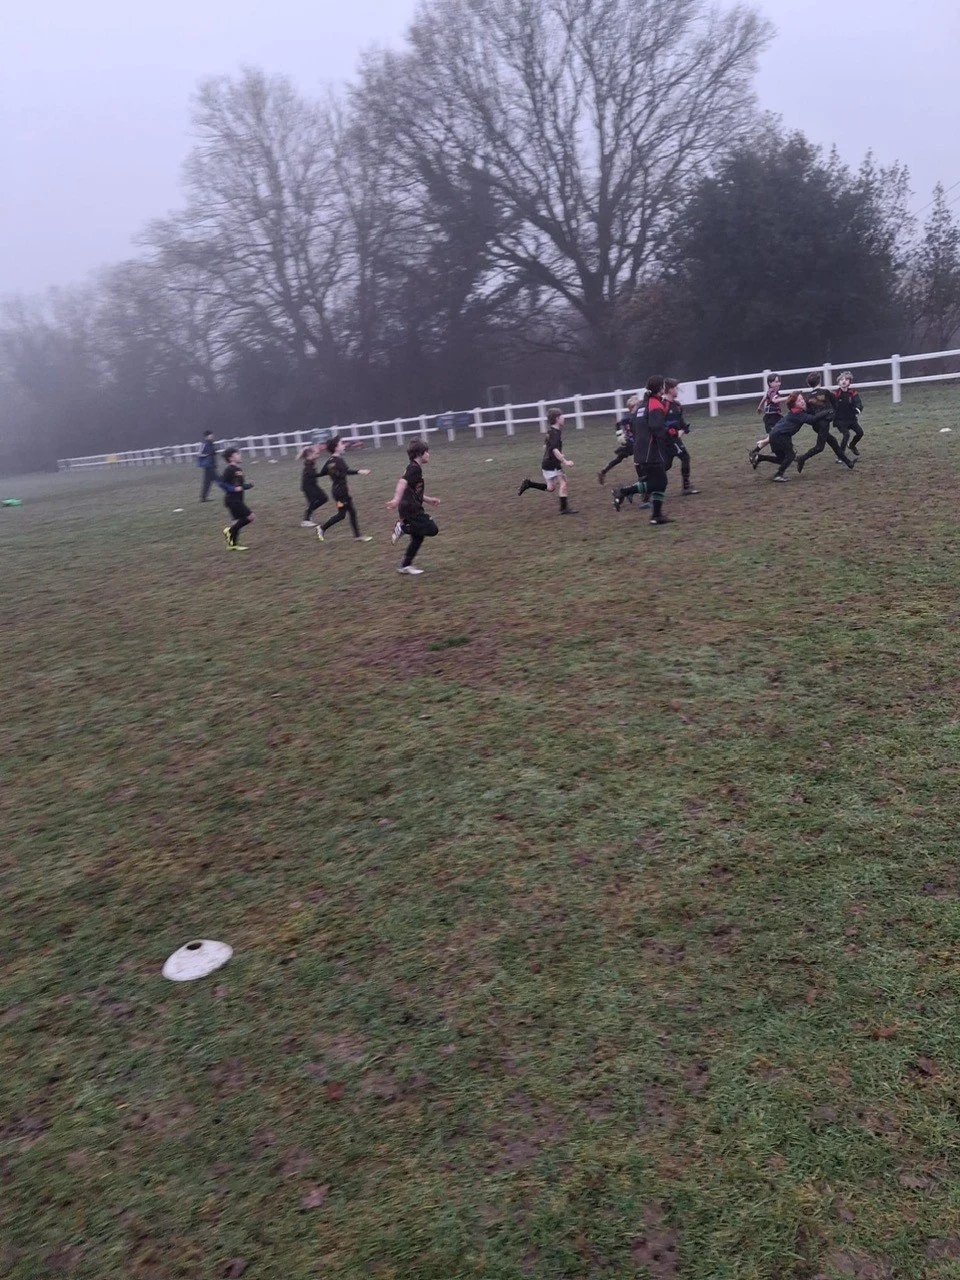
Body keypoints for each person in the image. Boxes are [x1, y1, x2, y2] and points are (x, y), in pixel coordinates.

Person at [612, 375, 674, 524]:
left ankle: (656, 516)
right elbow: (657, 428)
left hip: (641, 450)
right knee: (659, 483)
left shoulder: (642, 406)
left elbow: (635, 427)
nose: (664, 388)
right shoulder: (654, 405)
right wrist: (670, 433)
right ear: (660, 389)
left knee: (659, 481)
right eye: (663, 386)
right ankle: (623, 492)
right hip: (651, 451)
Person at [752, 391, 832, 481]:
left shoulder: (794, 412)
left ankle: (759, 458)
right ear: (794, 404)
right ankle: (778, 475)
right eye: (799, 401)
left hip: (775, 435)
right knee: (791, 456)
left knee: (782, 459)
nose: (802, 401)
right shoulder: (798, 414)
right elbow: (812, 419)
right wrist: (826, 412)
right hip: (781, 436)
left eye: (802, 399)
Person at [388, 440, 440, 574]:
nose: (428, 454)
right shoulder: (414, 469)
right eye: (426, 452)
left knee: (418, 537)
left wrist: (429, 500)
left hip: (410, 506)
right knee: (432, 529)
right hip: (411, 508)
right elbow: (402, 482)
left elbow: (413, 491)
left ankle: (404, 566)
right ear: (420, 454)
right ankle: (403, 527)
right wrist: (396, 499)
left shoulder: (413, 467)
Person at [517, 408, 577, 513]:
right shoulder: (555, 433)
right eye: (562, 416)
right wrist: (565, 461)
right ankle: (564, 508)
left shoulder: (551, 432)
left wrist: (557, 454)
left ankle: (529, 484)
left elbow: (546, 447)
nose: (564, 418)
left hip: (546, 464)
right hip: (553, 464)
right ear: (557, 419)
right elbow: (554, 449)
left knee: (550, 488)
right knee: (563, 482)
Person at [794, 372, 854, 473]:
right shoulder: (826, 392)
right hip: (824, 424)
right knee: (819, 447)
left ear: (809, 384)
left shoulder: (808, 397)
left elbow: (808, 412)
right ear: (820, 381)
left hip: (816, 425)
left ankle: (848, 463)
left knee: (833, 441)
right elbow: (835, 404)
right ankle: (801, 458)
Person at [316, 436, 372, 542]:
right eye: (341, 444)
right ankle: (322, 528)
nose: (344, 445)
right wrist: (361, 471)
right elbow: (346, 471)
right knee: (342, 514)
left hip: (338, 491)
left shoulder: (330, 461)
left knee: (350, 512)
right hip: (341, 493)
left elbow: (322, 473)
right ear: (336, 447)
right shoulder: (339, 461)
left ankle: (357, 536)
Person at [663, 379, 699, 495]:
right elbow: (660, 424)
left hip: (675, 439)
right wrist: (671, 432)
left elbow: (680, 422)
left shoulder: (677, 405)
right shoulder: (663, 405)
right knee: (685, 457)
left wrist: (684, 429)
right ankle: (686, 487)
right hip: (668, 440)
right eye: (675, 388)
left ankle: (646, 484)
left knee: (666, 465)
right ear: (670, 389)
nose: (677, 390)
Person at [597, 396, 639, 484]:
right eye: (637, 405)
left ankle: (603, 472)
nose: (638, 407)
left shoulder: (635, 416)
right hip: (631, 443)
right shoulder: (629, 417)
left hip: (633, 442)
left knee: (619, 459)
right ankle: (642, 478)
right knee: (639, 459)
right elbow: (617, 423)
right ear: (632, 407)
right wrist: (619, 436)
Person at [220, 448, 254, 549]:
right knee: (250, 517)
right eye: (237, 454)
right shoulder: (229, 469)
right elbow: (222, 484)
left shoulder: (239, 469)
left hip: (238, 499)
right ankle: (229, 531)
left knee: (236, 522)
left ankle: (232, 545)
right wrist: (233, 489)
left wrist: (249, 485)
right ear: (231, 458)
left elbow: (240, 485)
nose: (239, 455)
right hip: (232, 500)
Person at [750, 374, 783, 468]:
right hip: (771, 418)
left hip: (776, 417)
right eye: (776, 382)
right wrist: (789, 397)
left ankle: (756, 451)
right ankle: (756, 451)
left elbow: (765, 397)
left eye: (779, 381)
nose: (778, 383)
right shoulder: (773, 391)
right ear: (770, 383)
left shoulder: (771, 390)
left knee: (782, 432)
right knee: (773, 437)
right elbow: (774, 400)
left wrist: (759, 407)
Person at [833, 371, 864, 456]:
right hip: (840, 420)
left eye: (846, 379)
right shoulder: (835, 394)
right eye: (841, 379)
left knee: (860, 433)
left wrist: (857, 409)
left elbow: (859, 404)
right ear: (838, 382)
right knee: (846, 435)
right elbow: (830, 405)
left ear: (849, 382)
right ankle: (841, 456)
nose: (844, 381)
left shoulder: (853, 393)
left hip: (851, 419)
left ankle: (851, 445)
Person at [298, 445, 329, 526]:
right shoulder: (308, 464)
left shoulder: (311, 462)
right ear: (310, 454)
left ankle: (309, 513)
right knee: (312, 502)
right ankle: (306, 521)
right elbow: (313, 475)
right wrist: (325, 472)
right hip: (308, 486)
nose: (318, 455)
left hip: (313, 485)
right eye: (316, 453)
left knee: (324, 498)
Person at [197, 431, 218, 502]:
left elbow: (213, 454)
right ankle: (231, 491)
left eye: (212, 435)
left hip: (211, 465)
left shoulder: (211, 444)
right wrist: (208, 455)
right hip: (208, 466)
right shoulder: (204, 444)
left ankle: (203, 498)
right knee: (219, 479)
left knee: (207, 482)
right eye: (210, 435)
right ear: (206, 437)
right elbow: (200, 454)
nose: (212, 436)